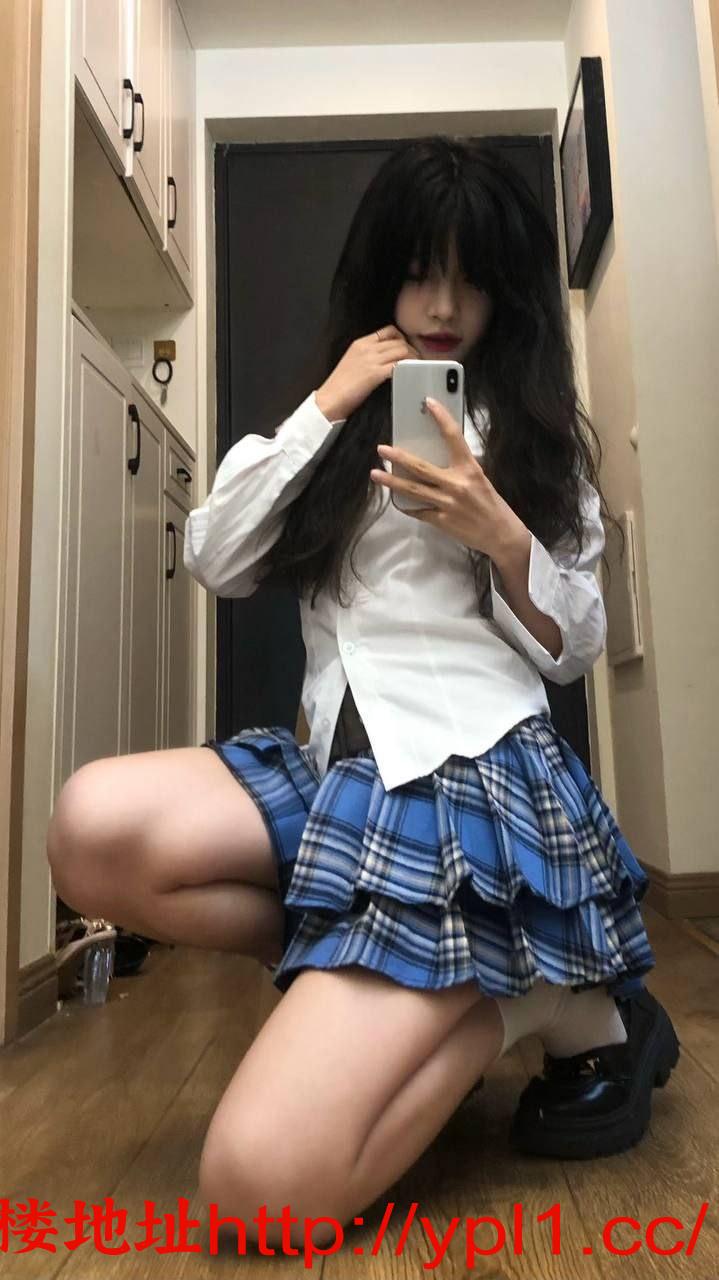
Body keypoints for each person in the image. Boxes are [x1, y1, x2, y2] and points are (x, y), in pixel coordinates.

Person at [47, 137, 678, 1248]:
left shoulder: (529, 440)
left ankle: (530, 997)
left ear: (506, 292)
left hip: (464, 777)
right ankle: (480, 978)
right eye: (419, 273)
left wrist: (499, 534)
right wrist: (327, 404)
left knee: (259, 1185)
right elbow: (216, 556)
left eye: (470, 280)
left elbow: (574, 644)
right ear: (381, 277)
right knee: (91, 829)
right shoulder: (334, 427)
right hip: (334, 769)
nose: (441, 307)